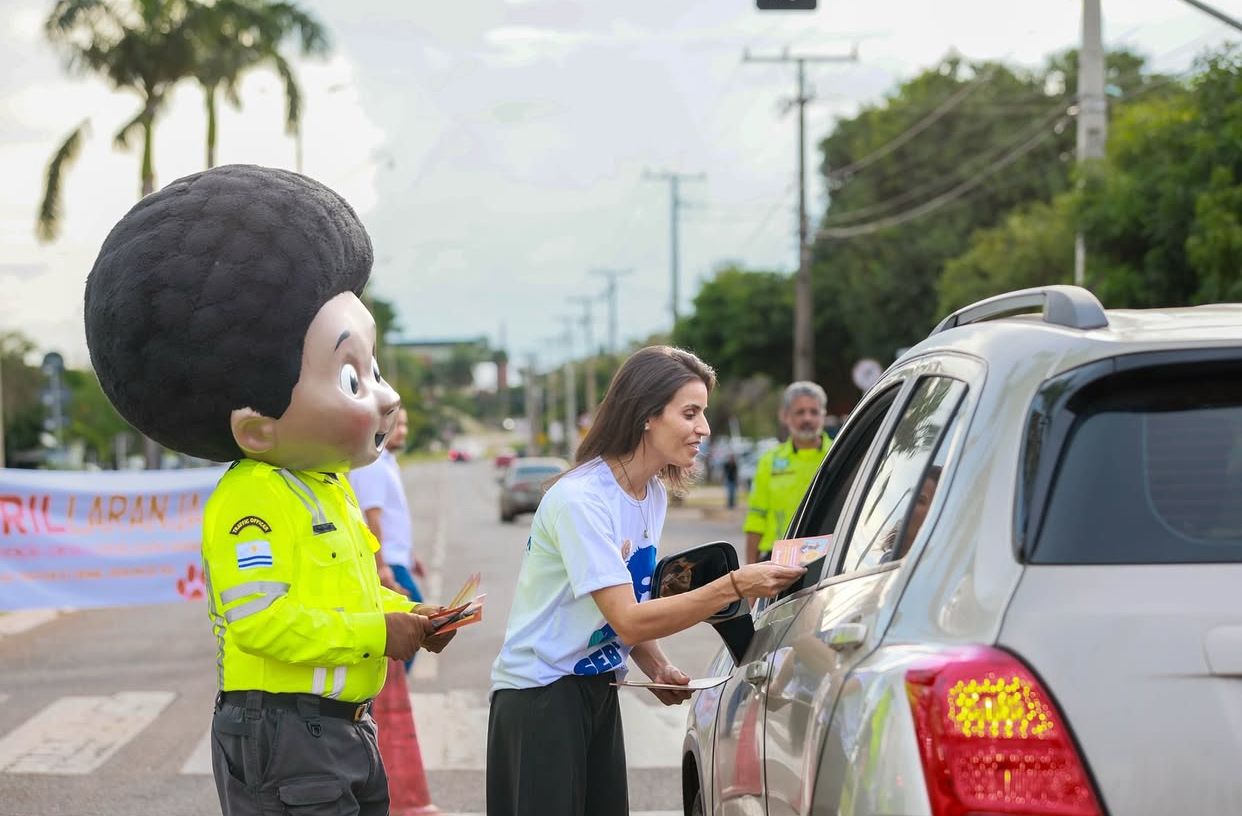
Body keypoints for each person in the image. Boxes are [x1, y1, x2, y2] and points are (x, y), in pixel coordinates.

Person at [83, 164, 456, 816]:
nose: (388, 397)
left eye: (372, 370)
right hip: (285, 736)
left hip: (340, 727)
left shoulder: (322, 483)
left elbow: (344, 590)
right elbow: (263, 621)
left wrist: (410, 615)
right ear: (256, 430)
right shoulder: (253, 498)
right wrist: (380, 631)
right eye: (352, 379)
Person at [487, 345, 805, 816]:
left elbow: (620, 610)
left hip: (598, 688)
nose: (704, 429)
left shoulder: (650, 493)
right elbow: (629, 620)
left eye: (704, 413)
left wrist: (658, 668)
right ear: (646, 416)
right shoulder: (582, 500)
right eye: (690, 413)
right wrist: (734, 585)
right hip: (540, 697)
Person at [744, 381, 833, 565]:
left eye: (814, 412)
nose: (807, 418)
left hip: (827, 557)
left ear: (823, 416)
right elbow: (756, 518)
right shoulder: (770, 461)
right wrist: (750, 573)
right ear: (785, 416)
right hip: (777, 558)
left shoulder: (838, 456)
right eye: (800, 412)